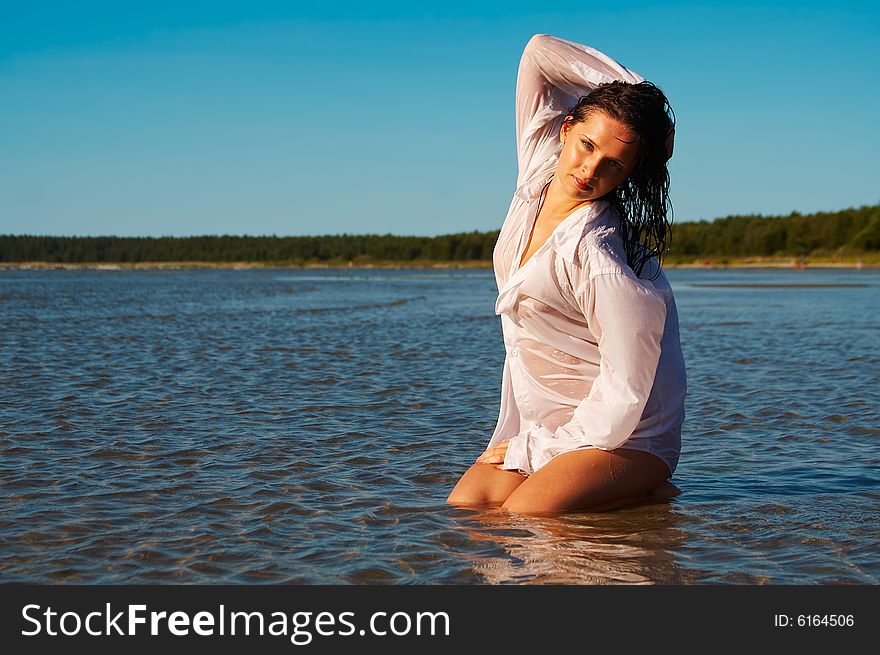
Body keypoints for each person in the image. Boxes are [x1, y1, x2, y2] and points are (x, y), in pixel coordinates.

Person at [447, 34, 687, 515]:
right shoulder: (537, 171)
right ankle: (627, 500)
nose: (588, 167)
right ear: (565, 128)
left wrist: (533, 453)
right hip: (548, 420)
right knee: (468, 512)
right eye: (586, 144)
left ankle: (640, 487)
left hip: (627, 432)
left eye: (612, 163)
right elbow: (538, 53)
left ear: (626, 175)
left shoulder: (599, 256)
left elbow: (627, 391)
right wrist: (642, 101)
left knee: (528, 515)